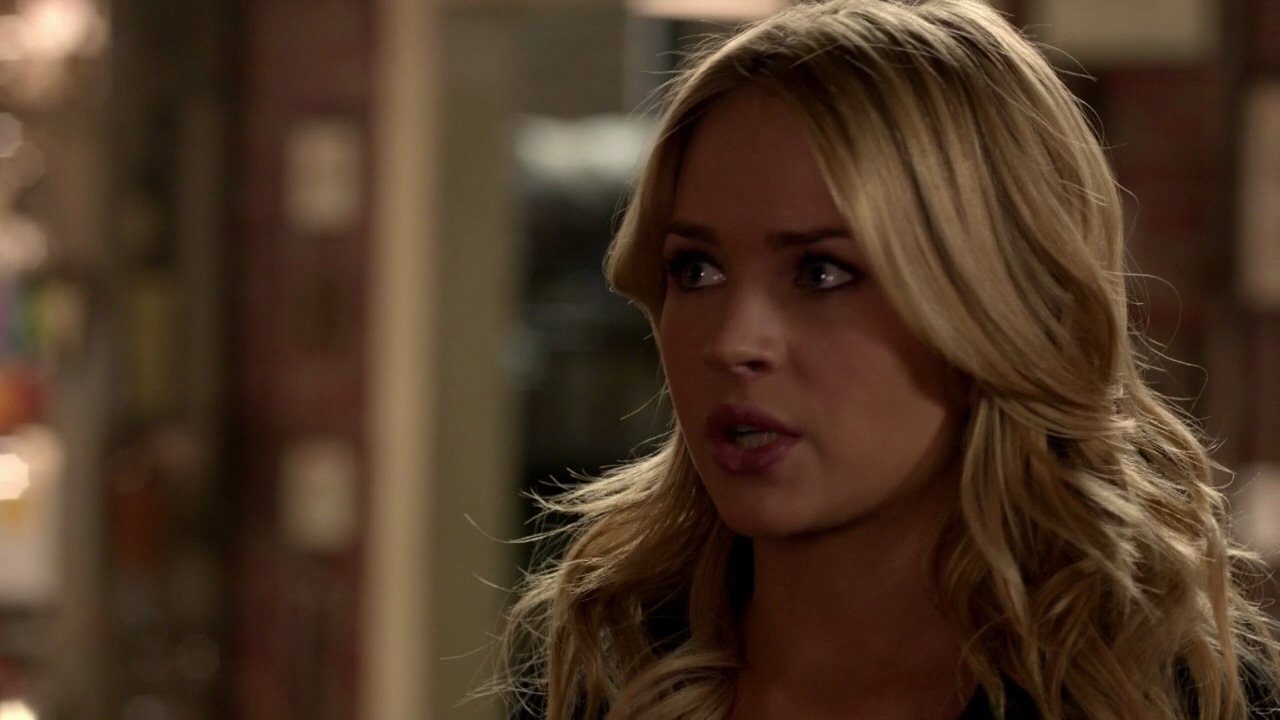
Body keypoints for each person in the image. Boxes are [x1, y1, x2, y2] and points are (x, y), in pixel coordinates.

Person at [497, 1, 1280, 717]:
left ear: (990, 304)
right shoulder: (605, 669)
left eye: (821, 273)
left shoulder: (1168, 697)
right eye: (696, 270)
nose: (733, 342)